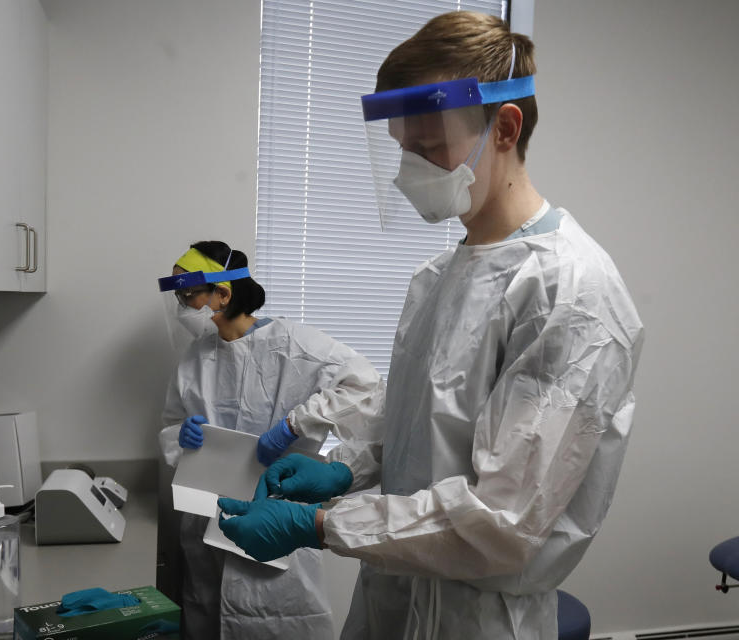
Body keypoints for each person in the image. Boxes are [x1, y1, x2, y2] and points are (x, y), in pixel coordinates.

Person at [217, 11, 645, 640]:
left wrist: (323, 527)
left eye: (429, 148)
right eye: (401, 149)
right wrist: (351, 466)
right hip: (394, 592)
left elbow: (503, 520)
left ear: (505, 126)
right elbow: (431, 427)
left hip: (480, 618)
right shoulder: (439, 277)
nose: (408, 170)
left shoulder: (572, 294)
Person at [157, 240, 385, 640]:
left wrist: (294, 424)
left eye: (188, 294)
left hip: (278, 523)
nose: (183, 306)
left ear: (223, 294)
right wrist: (181, 436)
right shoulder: (195, 358)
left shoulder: (295, 347)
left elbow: (364, 386)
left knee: (278, 622)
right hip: (207, 526)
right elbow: (172, 424)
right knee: (207, 618)